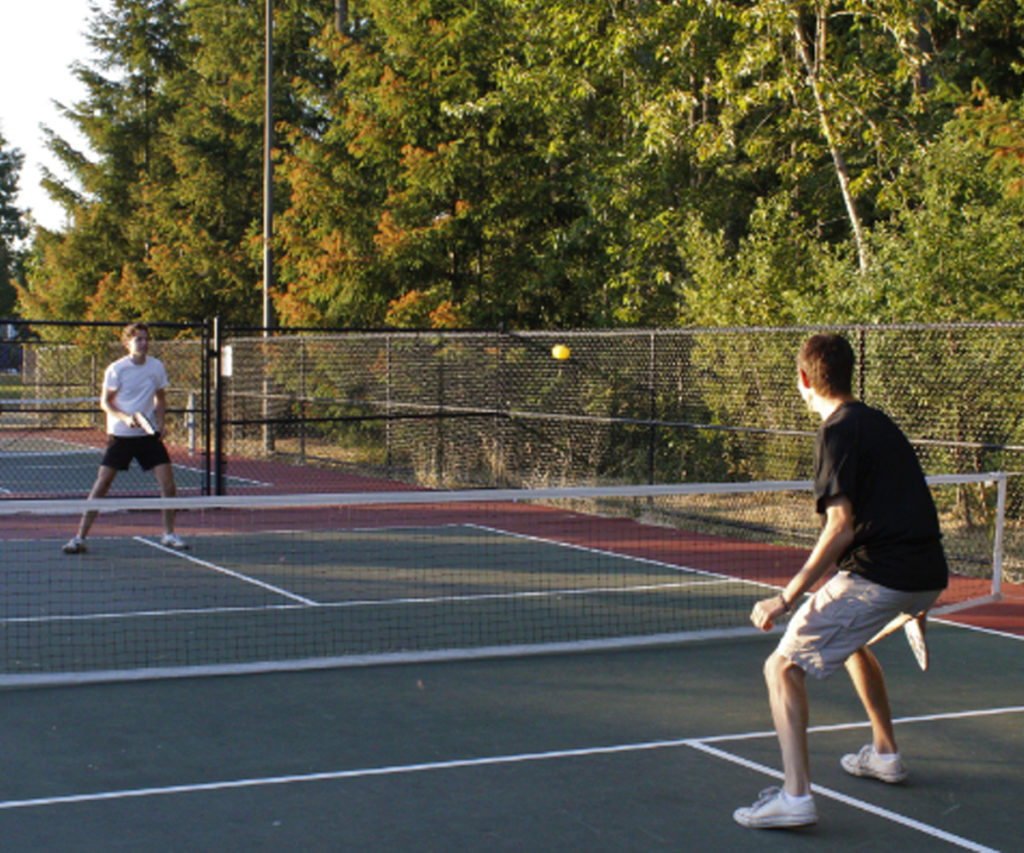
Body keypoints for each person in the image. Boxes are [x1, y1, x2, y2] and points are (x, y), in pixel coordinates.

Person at [733, 333, 947, 829]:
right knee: (851, 643)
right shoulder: (881, 424)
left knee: (782, 668)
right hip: (927, 573)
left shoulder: (834, 433)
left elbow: (840, 526)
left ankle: (795, 797)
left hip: (881, 575)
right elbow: (911, 507)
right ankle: (885, 753)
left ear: (805, 380)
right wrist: (919, 597)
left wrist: (785, 598)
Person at [62, 322, 187, 553]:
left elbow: (160, 397)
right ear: (127, 343)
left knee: (168, 485)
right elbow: (105, 402)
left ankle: (168, 534)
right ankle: (80, 537)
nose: (144, 343)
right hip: (121, 435)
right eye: (139, 339)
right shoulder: (116, 369)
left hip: (147, 436)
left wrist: (160, 423)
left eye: (146, 339)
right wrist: (125, 418)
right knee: (102, 484)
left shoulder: (157, 367)